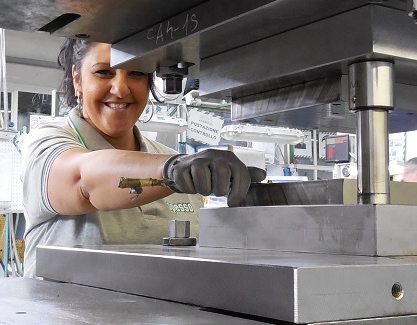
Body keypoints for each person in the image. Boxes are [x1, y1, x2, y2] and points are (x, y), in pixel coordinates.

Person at [18, 39, 265, 278]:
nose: (121, 88)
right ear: (77, 79)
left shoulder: (171, 160)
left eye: (136, 73)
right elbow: (84, 179)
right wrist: (173, 170)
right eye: (104, 72)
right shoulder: (46, 143)